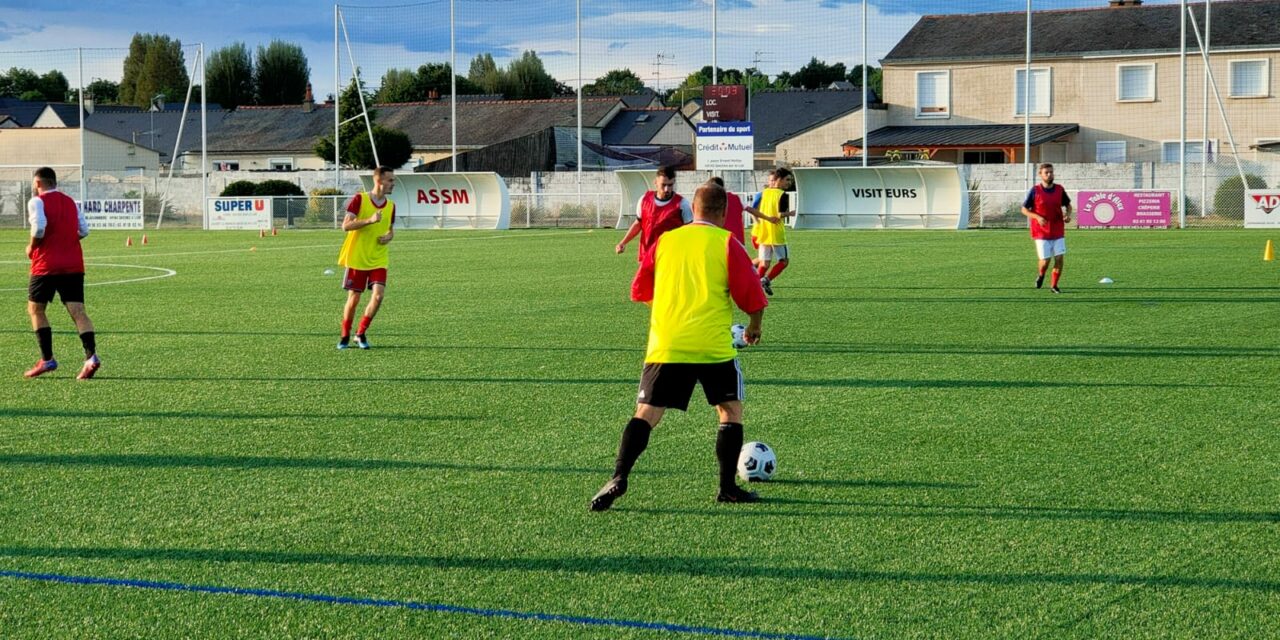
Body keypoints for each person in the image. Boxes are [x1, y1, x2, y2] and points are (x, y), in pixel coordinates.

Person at [591, 180, 768, 512]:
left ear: (693, 209)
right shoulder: (726, 242)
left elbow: (640, 289)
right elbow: (751, 293)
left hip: (667, 343)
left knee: (647, 413)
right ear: (723, 212)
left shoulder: (665, 241)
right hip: (711, 345)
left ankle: (619, 475)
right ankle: (727, 488)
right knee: (729, 410)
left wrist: (670, 314)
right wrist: (754, 327)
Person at [24, 167, 100, 379]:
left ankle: (47, 359)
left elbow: (39, 228)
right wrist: (65, 241)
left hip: (46, 265)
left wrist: (31, 247)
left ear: (38, 183)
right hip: (73, 265)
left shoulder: (37, 201)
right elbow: (84, 231)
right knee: (78, 311)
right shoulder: (70, 202)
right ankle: (91, 357)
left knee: (36, 310)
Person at [336, 166, 396, 349]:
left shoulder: (391, 206)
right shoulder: (359, 199)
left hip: (379, 258)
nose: (393, 183)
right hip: (358, 258)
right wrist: (369, 220)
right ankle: (345, 335)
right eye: (390, 180)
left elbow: (390, 230)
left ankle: (360, 333)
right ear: (378, 181)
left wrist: (389, 237)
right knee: (354, 299)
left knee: (378, 297)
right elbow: (345, 226)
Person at [614, 165, 692, 259]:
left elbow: (690, 231)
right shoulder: (644, 200)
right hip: (647, 256)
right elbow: (638, 224)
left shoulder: (682, 204)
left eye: (670, 185)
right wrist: (623, 242)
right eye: (663, 185)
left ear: (674, 182)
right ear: (656, 182)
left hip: (670, 257)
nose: (667, 189)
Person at [1020, 163, 1073, 293]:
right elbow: (1024, 209)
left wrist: (1068, 215)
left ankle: (1054, 286)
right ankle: (1041, 274)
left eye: (1051, 172)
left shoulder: (1059, 189)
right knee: (1045, 261)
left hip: (1057, 230)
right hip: (1041, 232)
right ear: (1041, 175)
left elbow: (1068, 205)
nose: (1049, 175)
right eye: (1046, 173)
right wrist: (1037, 217)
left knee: (1059, 259)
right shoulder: (1035, 190)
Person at [748, 167, 796, 296]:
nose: (789, 183)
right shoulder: (782, 194)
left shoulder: (764, 193)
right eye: (787, 180)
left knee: (764, 263)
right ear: (779, 179)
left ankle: (753, 286)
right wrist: (791, 213)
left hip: (764, 233)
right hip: (776, 233)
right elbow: (780, 214)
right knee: (784, 261)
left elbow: (755, 210)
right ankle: (766, 280)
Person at [707, 176, 779, 245]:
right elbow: (751, 210)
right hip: (737, 239)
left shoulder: (712, 201)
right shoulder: (735, 198)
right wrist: (768, 218)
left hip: (721, 239)